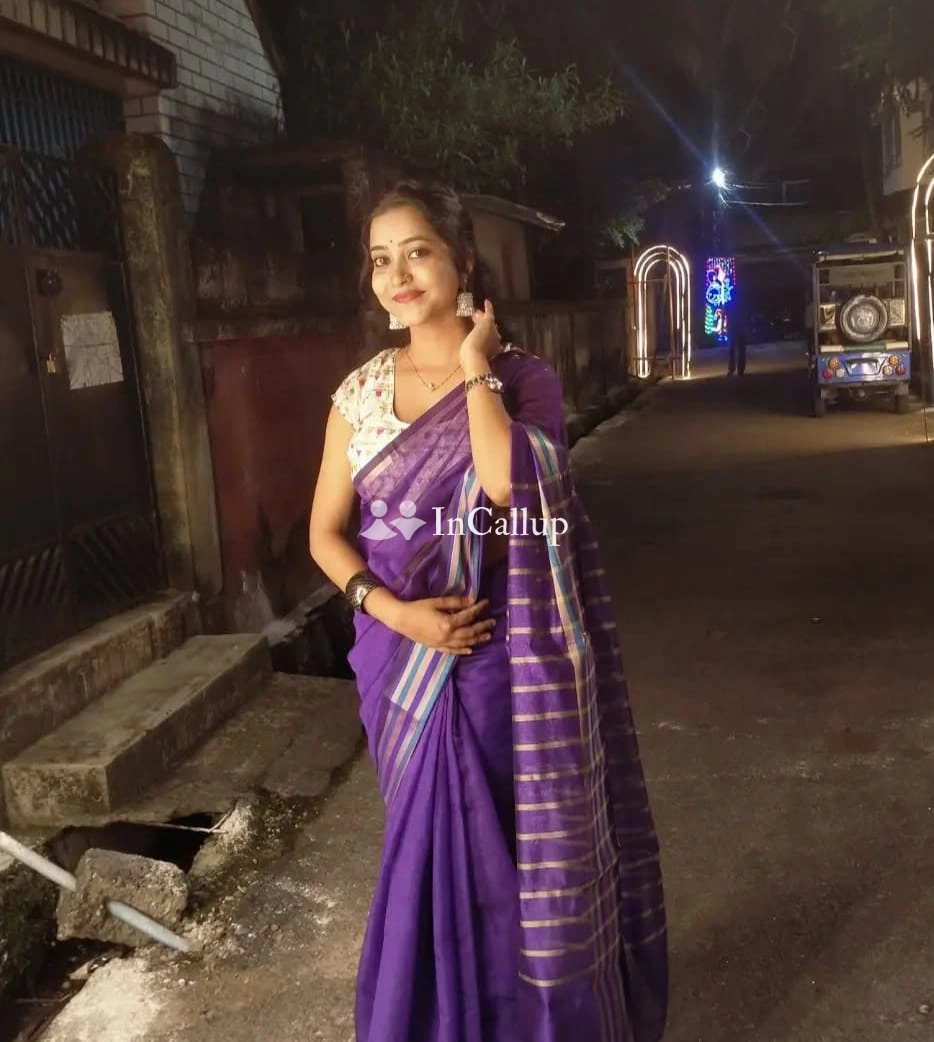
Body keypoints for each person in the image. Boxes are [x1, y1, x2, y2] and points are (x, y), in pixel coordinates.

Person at [308, 178, 668, 1042]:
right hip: (401, 666)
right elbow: (324, 534)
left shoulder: (522, 379)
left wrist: (475, 367)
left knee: (515, 862)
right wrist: (397, 615)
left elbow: (509, 486)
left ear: (462, 261)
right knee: (432, 860)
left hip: (503, 664)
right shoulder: (357, 396)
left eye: (417, 253)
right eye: (380, 260)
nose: (397, 276)